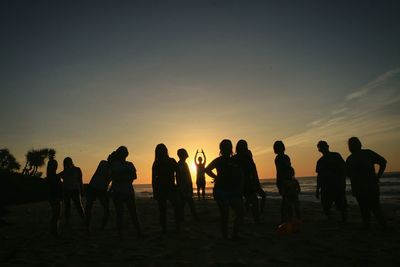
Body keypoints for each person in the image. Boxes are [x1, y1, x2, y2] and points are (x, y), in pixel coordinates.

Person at [205, 139, 244, 239]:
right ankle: (225, 236)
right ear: (221, 149)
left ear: (231, 148)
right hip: (220, 191)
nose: (226, 149)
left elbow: (240, 175)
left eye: (228, 147)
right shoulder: (218, 160)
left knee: (240, 212)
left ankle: (235, 234)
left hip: (233, 191)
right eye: (224, 147)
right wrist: (216, 177)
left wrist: (240, 188)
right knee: (225, 214)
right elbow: (207, 169)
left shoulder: (235, 160)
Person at [345, 137, 387, 229]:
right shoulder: (365, 154)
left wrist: (378, 176)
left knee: (367, 209)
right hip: (367, 187)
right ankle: (380, 226)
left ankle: (371, 226)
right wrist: (378, 176)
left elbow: (347, 174)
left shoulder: (351, 158)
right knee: (373, 208)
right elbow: (383, 162)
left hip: (363, 188)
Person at [110, 146, 142, 238]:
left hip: (128, 191)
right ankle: (121, 234)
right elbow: (115, 177)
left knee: (133, 213)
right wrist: (126, 176)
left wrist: (122, 176)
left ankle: (138, 232)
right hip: (119, 192)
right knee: (120, 213)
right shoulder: (115, 164)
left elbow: (134, 176)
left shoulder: (129, 164)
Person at [152, 144, 181, 233]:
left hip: (170, 187)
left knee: (176, 208)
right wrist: (155, 191)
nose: (162, 151)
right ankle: (166, 229)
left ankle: (176, 228)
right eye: (161, 150)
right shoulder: (157, 163)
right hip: (162, 188)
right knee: (163, 210)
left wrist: (178, 185)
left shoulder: (171, 161)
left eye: (163, 150)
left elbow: (178, 173)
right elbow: (153, 178)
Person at [315, 141, 347, 221]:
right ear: (319, 150)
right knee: (326, 206)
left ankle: (343, 219)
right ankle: (331, 218)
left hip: (337, 185)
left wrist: (343, 182)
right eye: (321, 147)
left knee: (341, 204)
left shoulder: (336, 156)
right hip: (326, 186)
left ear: (327, 146)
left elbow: (344, 169)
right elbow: (319, 176)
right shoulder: (320, 161)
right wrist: (317, 189)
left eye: (323, 146)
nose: (323, 148)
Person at [85, 153, 114, 232]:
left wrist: (109, 191)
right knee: (89, 207)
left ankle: (101, 228)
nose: (108, 156)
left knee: (106, 210)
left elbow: (113, 181)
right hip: (94, 187)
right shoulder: (103, 163)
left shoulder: (111, 167)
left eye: (110, 156)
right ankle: (88, 226)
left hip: (100, 189)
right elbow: (97, 174)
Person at [234, 140, 260, 223]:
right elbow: (254, 172)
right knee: (253, 202)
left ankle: (244, 219)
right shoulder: (246, 158)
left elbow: (254, 172)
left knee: (246, 202)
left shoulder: (236, 158)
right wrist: (257, 185)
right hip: (244, 184)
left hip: (240, 184)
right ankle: (255, 220)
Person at [273, 140, 296, 223]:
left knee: (288, 200)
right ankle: (285, 218)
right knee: (286, 200)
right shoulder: (278, 158)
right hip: (282, 180)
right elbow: (281, 170)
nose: (282, 148)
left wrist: (292, 179)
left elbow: (289, 168)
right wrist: (283, 182)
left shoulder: (286, 157)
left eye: (282, 146)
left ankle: (289, 218)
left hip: (288, 179)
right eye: (279, 146)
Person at [59, 157, 85, 225]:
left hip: (74, 190)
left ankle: (84, 220)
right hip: (67, 191)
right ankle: (67, 222)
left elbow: (80, 181)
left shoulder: (77, 169)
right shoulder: (65, 172)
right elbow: (58, 177)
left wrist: (82, 189)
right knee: (68, 207)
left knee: (78, 206)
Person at [176, 148, 198, 220]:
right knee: (188, 203)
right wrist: (182, 187)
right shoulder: (180, 164)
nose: (187, 154)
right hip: (184, 187)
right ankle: (194, 216)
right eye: (185, 153)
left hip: (186, 187)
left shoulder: (183, 164)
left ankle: (183, 217)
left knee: (184, 203)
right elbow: (180, 177)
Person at [45, 153, 62, 236]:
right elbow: (55, 188)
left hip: (52, 197)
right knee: (56, 214)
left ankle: (54, 231)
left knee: (56, 214)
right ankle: (55, 232)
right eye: (54, 165)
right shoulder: (54, 177)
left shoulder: (50, 176)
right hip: (54, 197)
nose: (55, 166)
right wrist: (57, 196)